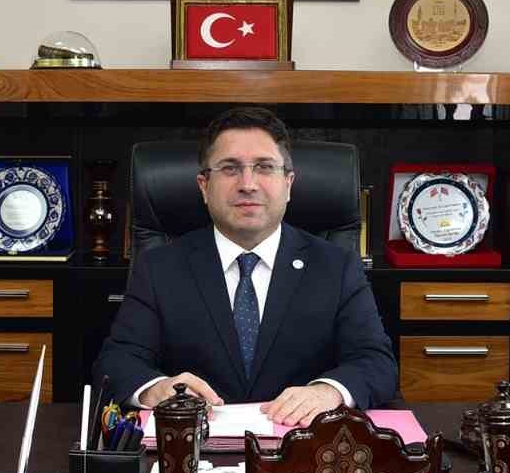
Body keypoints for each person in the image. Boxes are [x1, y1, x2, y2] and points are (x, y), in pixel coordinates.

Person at [92, 107, 396, 427]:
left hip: (302, 445)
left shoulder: (337, 266)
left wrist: (329, 391)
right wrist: (156, 389)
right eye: (230, 168)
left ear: (288, 183)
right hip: (190, 444)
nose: (248, 184)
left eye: (264, 167)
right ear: (203, 186)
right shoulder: (159, 268)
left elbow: (376, 362)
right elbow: (116, 362)